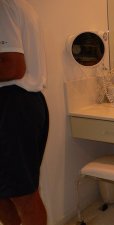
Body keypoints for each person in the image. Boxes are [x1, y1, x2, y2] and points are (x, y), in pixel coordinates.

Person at [0, 0, 49, 225]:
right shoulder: (22, 5)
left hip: (13, 105)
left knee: (24, 195)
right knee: (6, 192)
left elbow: (13, 67)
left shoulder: (4, 5)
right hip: (20, 105)